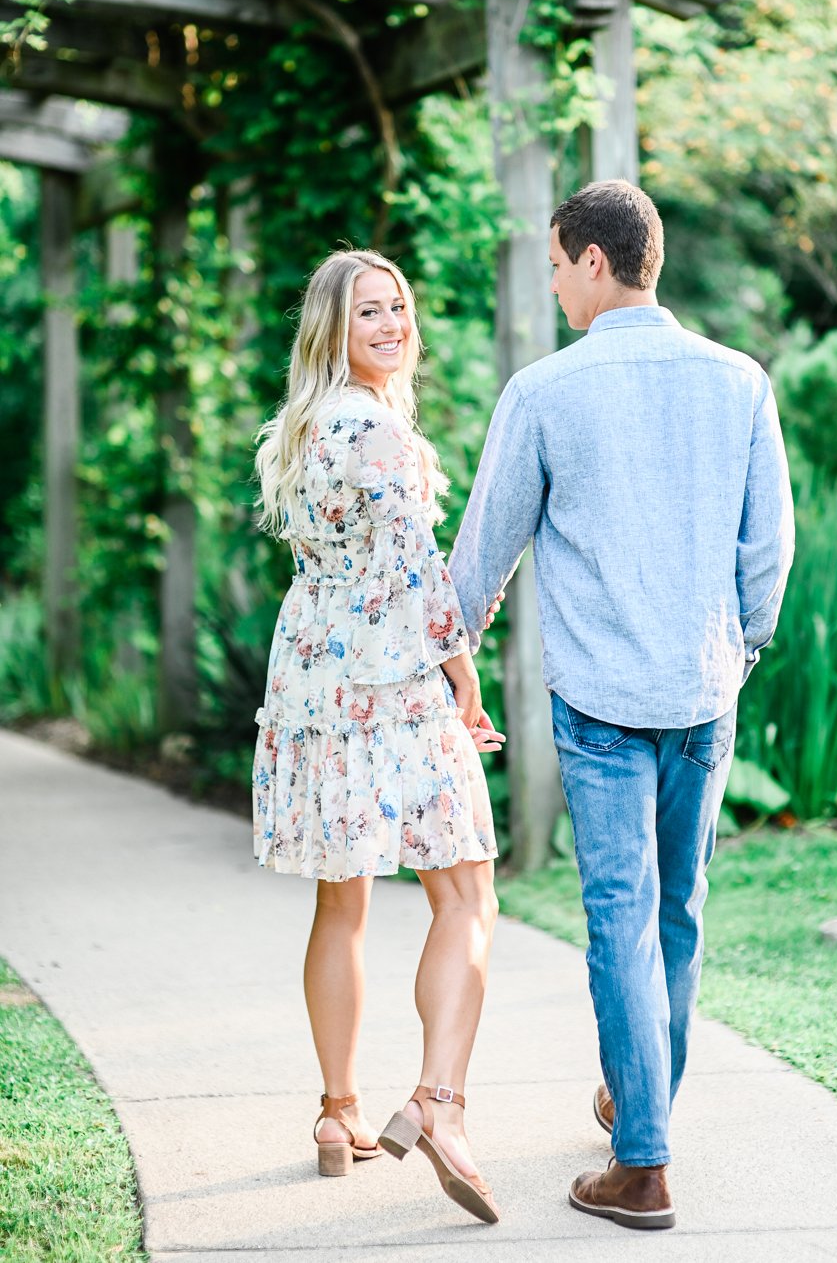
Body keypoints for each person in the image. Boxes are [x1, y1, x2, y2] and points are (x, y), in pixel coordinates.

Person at [449, 180, 795, 1231]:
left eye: (556, 265)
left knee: (620, 920)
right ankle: (635, 1094)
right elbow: (766, 554)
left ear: (594, 261)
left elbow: (480, 557)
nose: (553, 285)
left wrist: (441, 662)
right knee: (677, 914)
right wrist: (730, 656)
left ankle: (639, 1164)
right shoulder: (739, 382)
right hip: (701, 696)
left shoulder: (544, 392)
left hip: (600, 703)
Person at [252, 249, 504, 1225]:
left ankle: (336, 1112)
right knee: (465, 889)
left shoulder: (303, 427)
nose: (391, 325)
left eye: (397, 307)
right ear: (333, 329)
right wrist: (467, 685)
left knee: (342, 900)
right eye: (369, 313)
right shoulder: (380, 433)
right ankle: (437, 1102)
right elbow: (418, 576)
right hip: (388, 682)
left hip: (315, 678)